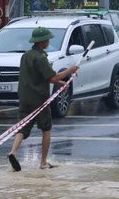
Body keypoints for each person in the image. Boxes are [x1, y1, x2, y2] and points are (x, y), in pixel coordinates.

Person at [8, 27, 79, 171]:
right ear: (41, 42)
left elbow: (42, 77)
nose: (49, 42)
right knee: (46, 129)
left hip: (24, 97)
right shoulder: (41, 58)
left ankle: (13, 152)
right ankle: (43, 162)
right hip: (39, 100)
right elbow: (52, 76)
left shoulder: (26, 55)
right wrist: (69, 71)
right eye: (47, 39)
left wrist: (60, 83)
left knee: (22, 127)